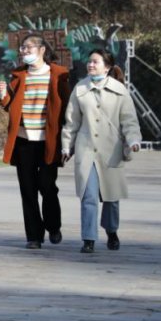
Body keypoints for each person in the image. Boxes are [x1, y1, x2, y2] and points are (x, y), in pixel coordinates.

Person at [60, 48, 143, 254]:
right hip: (86, 149)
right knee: (88, 197)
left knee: (110, 197)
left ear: (107, 67)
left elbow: (129, 121)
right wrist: (66, 146)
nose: (90, 65)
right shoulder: (79, 89)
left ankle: (112, 231)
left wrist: (133, 141)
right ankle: (88, 238)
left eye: (95, 62)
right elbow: (71, 122)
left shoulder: (120, 90)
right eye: (89, 62)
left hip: (111, 150)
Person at [0, 33, 72, 249]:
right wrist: (3, 95)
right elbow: (9, 105)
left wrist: (69, 138)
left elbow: (68, 107)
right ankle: (34, 236)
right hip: (23, 140)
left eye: (28, 48)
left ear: (42, 50)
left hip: (48, 141)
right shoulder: (18, 75)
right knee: (27, 189)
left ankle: (53, 226)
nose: (24, 52)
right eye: (22, 48)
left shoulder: (58, 75)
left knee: (47, 187)